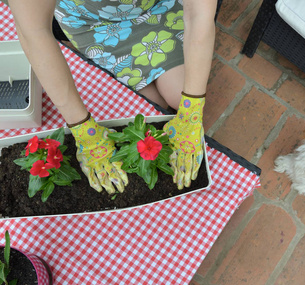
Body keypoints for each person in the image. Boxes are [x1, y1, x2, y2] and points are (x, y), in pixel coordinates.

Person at [7, 0, 216, 192]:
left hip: (157, 7)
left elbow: (199, 13)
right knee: (147, 110)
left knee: (178, 98)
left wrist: (192, 110)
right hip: (95, 24)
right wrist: (83, 129)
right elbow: (33, 31)